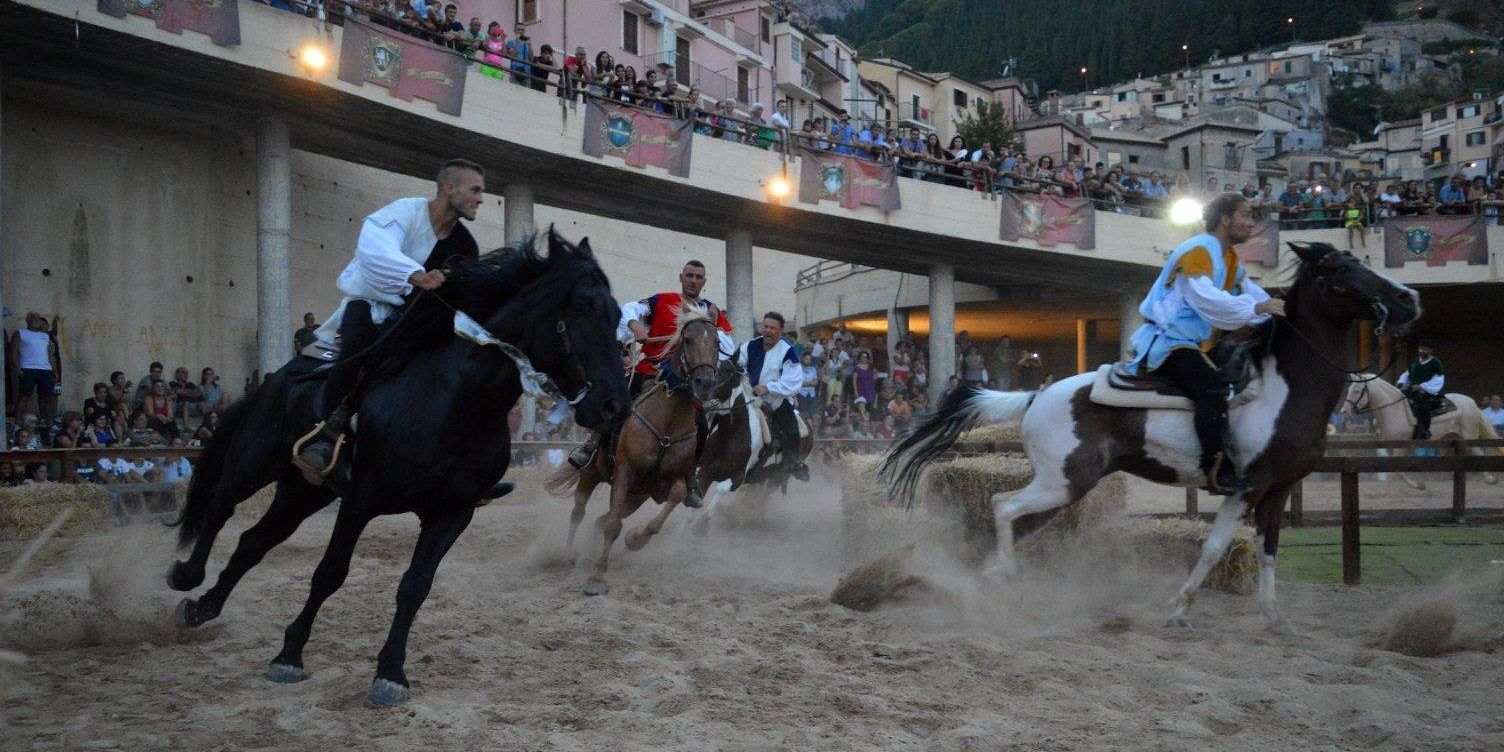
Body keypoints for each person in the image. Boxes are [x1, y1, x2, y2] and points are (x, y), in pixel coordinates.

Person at [293, 159, 486, 482]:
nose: (481, 198)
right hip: (369, 304)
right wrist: (415, 275)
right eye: (475, 190)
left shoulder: (465, 245)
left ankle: (461, 464)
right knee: (358, 351)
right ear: (449, 188)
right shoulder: (404, 212)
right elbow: (374, 248)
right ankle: (326, 437)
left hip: (417, 322)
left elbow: (464, 286)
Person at [1122, 192, 1285, 494]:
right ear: (1225, 219)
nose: (1252, 223)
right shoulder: (1198, 250)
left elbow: (1250, 292)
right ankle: (1215, 469)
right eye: (1246, 215)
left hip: (1196, 343)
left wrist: (1281, 309)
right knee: (1213, 386)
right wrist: (1258, 309)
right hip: (1169, 341)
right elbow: (1206, 298)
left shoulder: (1230, 258)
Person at [567, 260, 734, 507]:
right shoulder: (662, 300)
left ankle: (691, 481)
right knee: (617, 400)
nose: (693, 280)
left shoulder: (712, 312)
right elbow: (629, 310)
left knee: (700, 423)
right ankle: (592, 445)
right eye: (689, 275)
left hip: (685, 383)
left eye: (699, 277)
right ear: (681, 277)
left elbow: (729, 346)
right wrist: (635, 326)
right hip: (650, 371)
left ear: (704, 281)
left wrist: (706, 336)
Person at [737, 312, 810, 481]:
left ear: (781, 330)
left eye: (773, 328)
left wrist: (769, 389)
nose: (768, 331)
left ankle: (794, 462)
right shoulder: (750, 346)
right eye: (766, 326)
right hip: (750, 397)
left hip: (775, 401)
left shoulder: (788, 352)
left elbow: (794, 381)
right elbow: (738, 363)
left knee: (791, 429)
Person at [9, 312, 61, 441]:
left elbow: (50, 354)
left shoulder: (45, 336)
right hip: (28, 368)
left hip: (45, 369)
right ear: (28, 320)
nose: (36, 320)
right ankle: (16, 424)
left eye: (38, 318)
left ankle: (48, 424)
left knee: (47, 398)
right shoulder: (20, 333)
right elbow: (13, 350)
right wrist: (17, 367)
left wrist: (54, 370)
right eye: (34, 318)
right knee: (24, 397)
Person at [1397, 341, 1445, 440]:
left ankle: (1424, 431)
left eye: (1424, 349)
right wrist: (1401, 382)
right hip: (1412, 391)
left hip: (1427, 392)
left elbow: (1438, 379)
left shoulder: (1436, 362)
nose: (1421, 351)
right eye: (1420, 349)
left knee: (1424, 408)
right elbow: (1407, 374)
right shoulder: (1415, 361)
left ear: (1431, 350)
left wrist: (1422, 386)